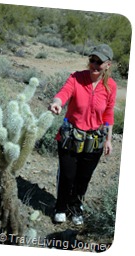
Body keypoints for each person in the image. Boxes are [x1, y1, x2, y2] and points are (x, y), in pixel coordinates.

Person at [48, 44, 117, 225]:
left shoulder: (111, 86)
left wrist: (109, 139)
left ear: (107, 65)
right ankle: (61, 207)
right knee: (68, 175)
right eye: (92, 60)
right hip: (71, 136)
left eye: (99, 62)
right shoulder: (76, 78)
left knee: (83, 178)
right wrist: (57, 102)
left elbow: (108, 114)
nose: (94, 65)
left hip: (93, 140)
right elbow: (64, 93)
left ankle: (76, 207)